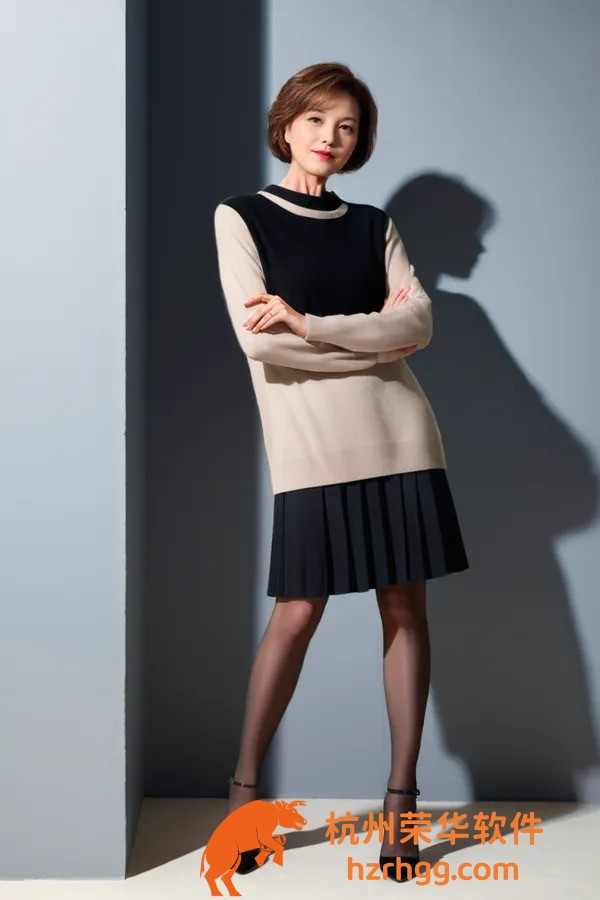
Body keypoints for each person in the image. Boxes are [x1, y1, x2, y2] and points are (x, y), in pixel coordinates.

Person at [213, 61, 469, 882]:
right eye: (317, 120)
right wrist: (372, 340)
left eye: (348, 127)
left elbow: (420, 323)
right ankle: (244, 798)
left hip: (402, 438)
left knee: (405, 610)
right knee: (297, 613)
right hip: (313, 446)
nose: (331, 137)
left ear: (360, 142)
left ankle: (401, 803)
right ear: (286, 125)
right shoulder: (241, 217)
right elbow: (259, 344)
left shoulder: (373, 225)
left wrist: (308, 323)